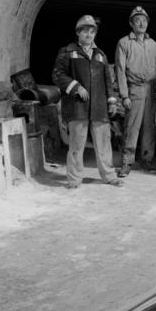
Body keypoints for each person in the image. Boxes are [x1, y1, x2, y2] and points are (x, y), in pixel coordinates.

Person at [52, 15, 123, 189]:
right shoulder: (68, 52)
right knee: (76, 144)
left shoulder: (100, 55)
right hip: (78, 106)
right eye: (85, 31)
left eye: (92, 32)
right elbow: (58, 75)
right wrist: (75, 87)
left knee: (104, 143)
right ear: (78, 33)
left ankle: (109, 176)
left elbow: (107, 80)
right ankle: (74, 180)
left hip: (99, 107)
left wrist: (112, 101)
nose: (89, 35)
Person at [114, 5, 156, 176]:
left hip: (151, 90)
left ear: (147, 23)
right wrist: (124, 95)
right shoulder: (124, 43)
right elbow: (120, 70)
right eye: (137, 20)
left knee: (149, 127)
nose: (141, 23)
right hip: (134, 89)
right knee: (132, 126)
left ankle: (146, 160)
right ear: (131, 23)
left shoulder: (153, 44)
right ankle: (127, 162)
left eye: (144, 20)